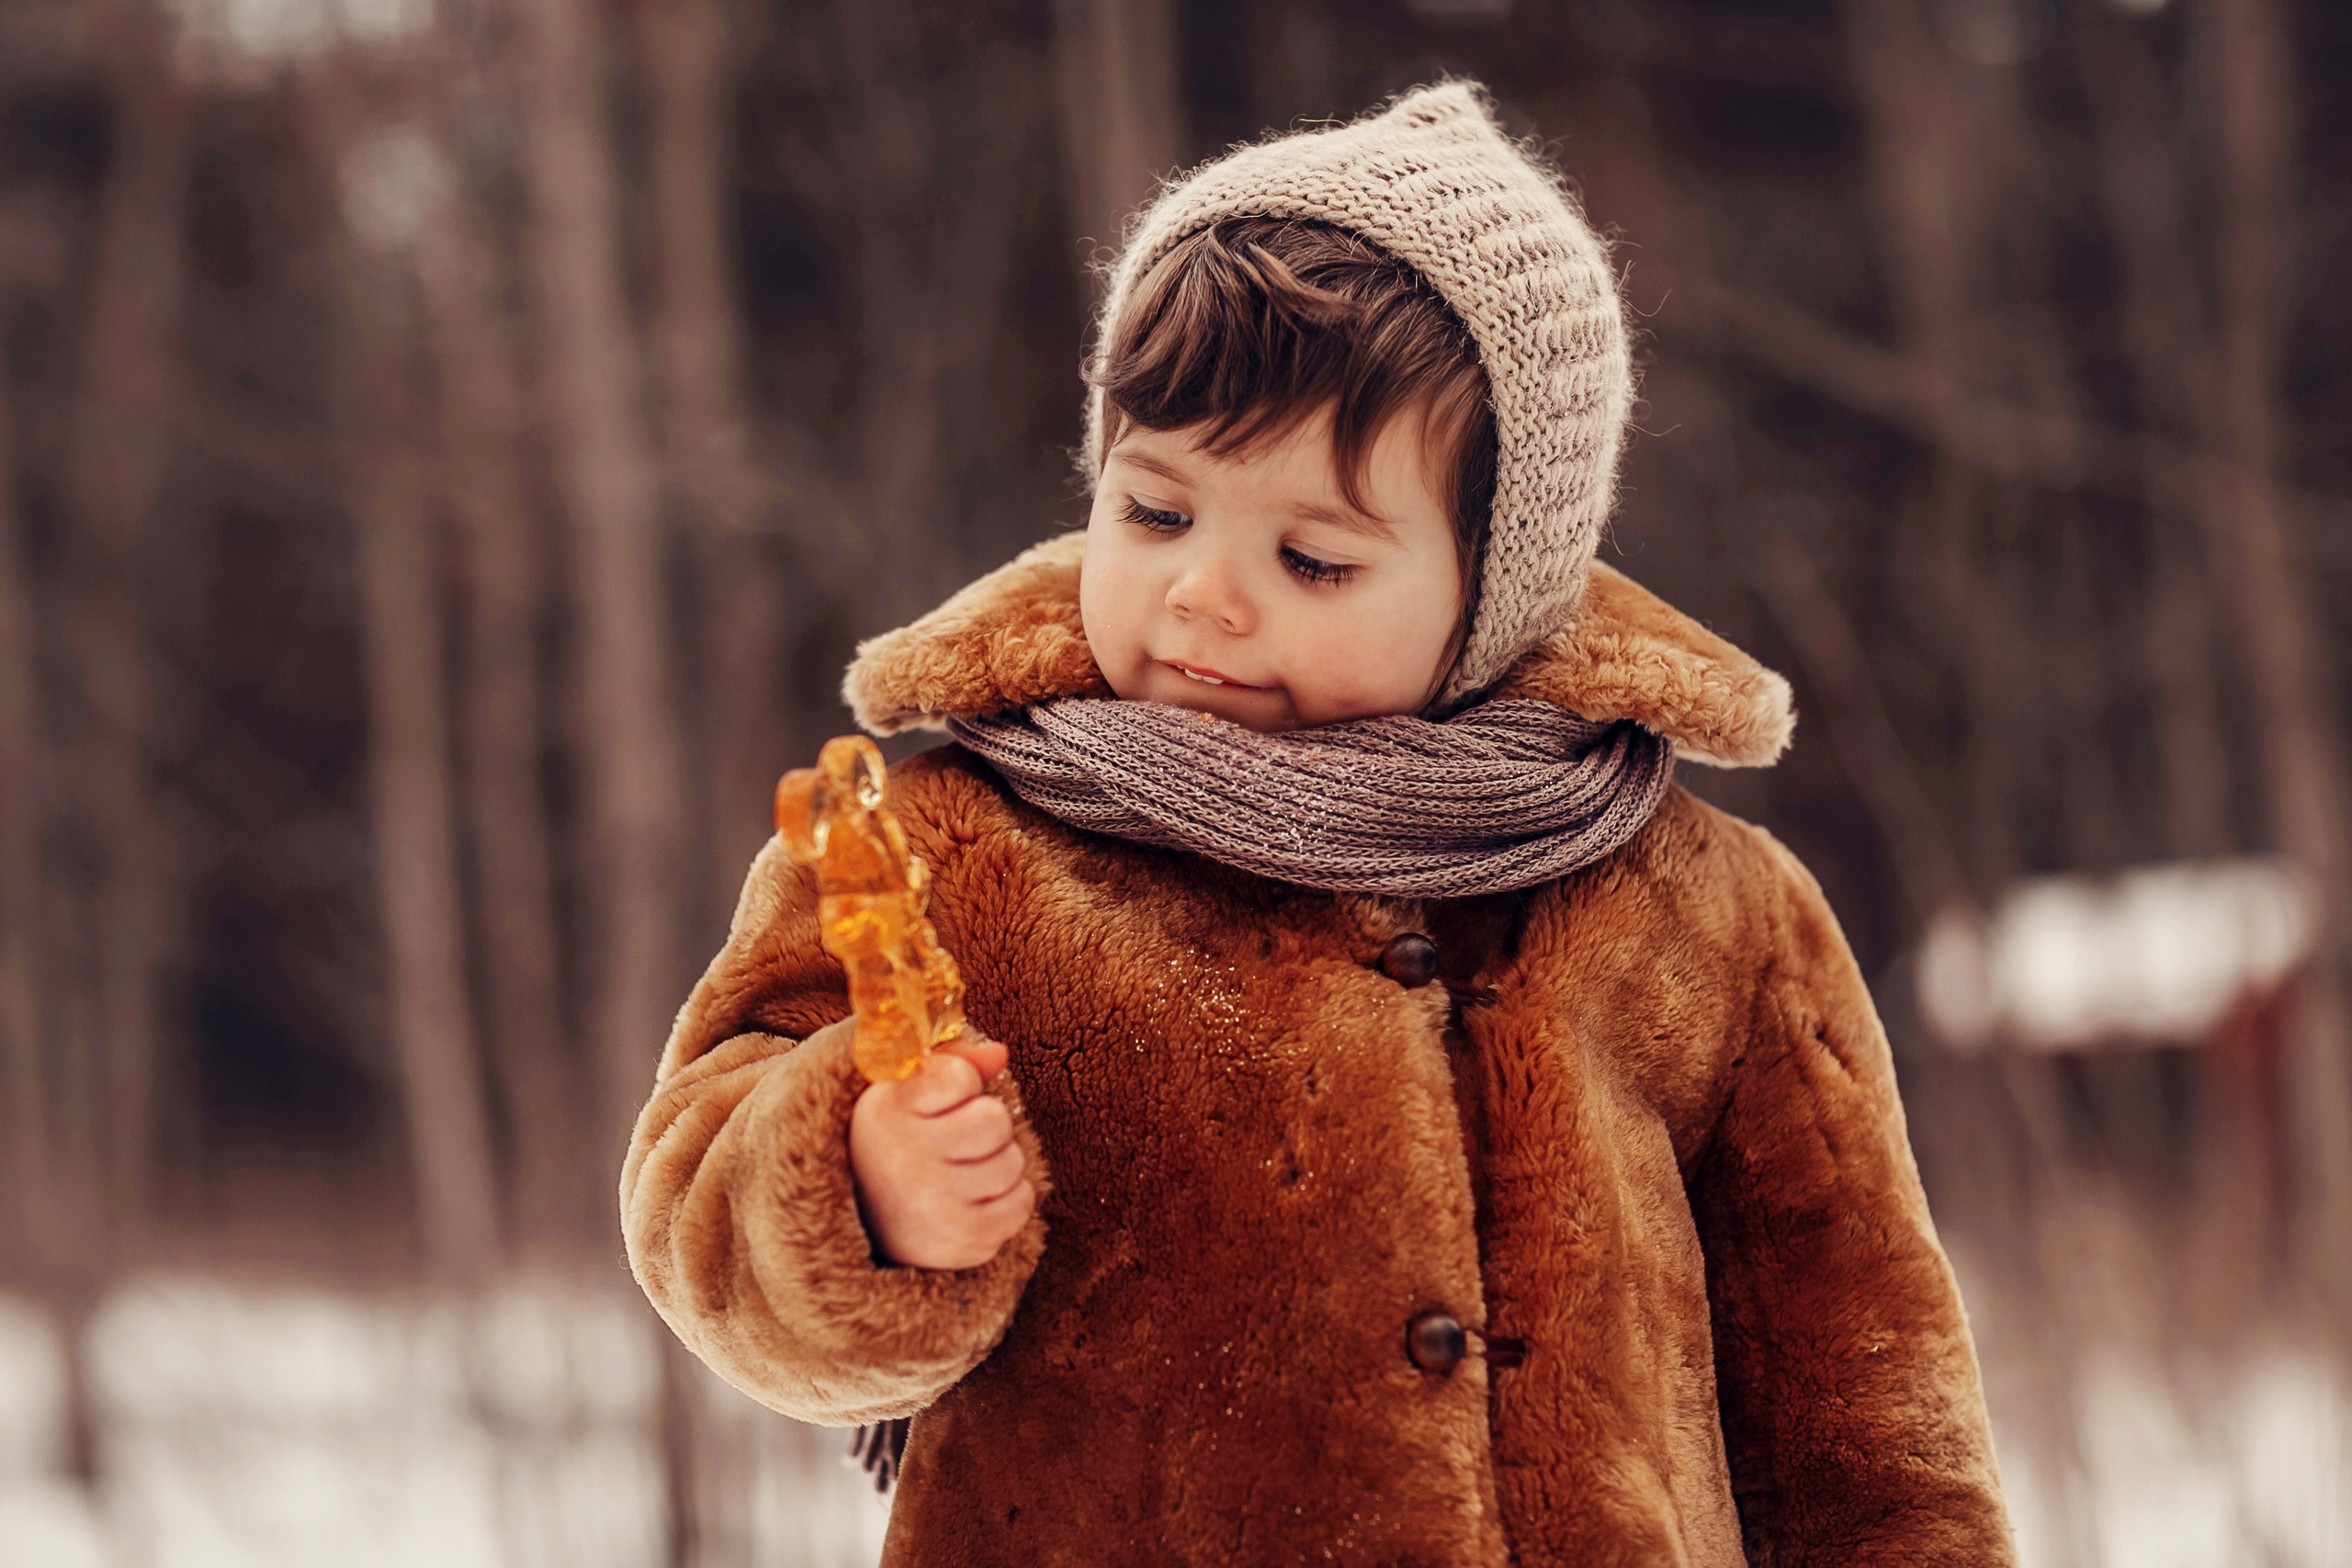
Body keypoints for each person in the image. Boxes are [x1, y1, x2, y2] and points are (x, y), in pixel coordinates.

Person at [620, 82, 2015, 1565]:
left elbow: (1862, 1404)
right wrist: (857, 1184)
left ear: (1496, 589)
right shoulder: (960, 856)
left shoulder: (1705, 914)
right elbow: (694, 1188)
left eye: (1311, 556)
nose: (1206, 594)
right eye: (1156, 514)